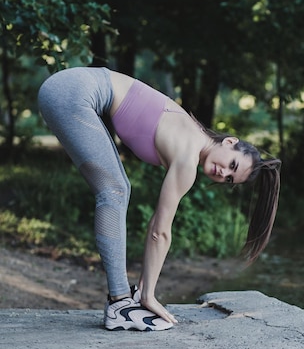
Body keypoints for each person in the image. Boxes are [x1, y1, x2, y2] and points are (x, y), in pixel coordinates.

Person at [38, 67, 281, 332]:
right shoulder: (188, 158)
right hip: (73, 92)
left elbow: (157, 226)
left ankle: (124, 299)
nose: (223, 173)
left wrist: (144, 290)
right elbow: (160, 232)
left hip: (69, 87)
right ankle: (120, 303)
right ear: (229, 142)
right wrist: (148, 296)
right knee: (115, 190)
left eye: (230, 179)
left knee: (118, 188)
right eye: (232, 165)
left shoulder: (193, 133)